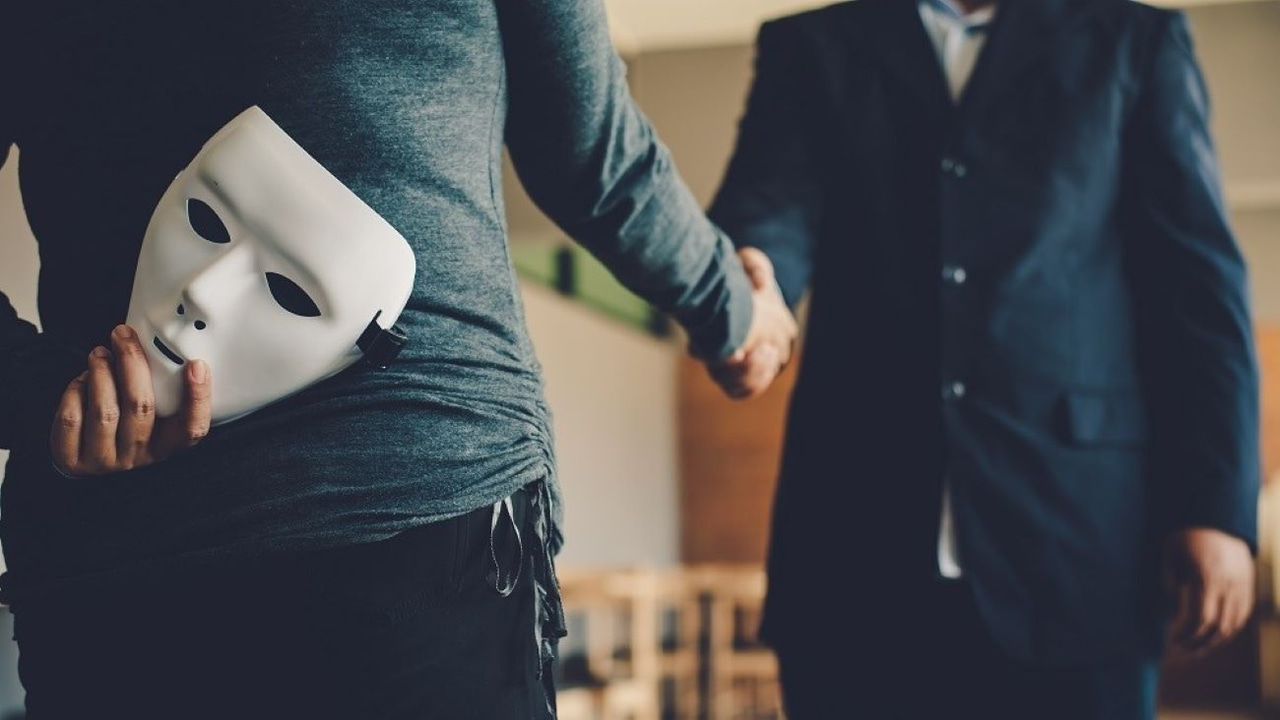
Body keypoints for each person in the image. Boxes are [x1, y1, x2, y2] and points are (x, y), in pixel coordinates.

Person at [0, 1, 795, 717]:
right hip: (400, 505)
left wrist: (44, 397)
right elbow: (592, 154)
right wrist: (736, 312)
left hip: (130, 544)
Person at [709, 0, 1260, 717]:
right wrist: (754, 294)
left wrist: (1215, 506)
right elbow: (767, 209)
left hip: (1080, 547)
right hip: (852, 543)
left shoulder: (1136, 41)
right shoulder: (810, 45)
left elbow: (1198, 291)